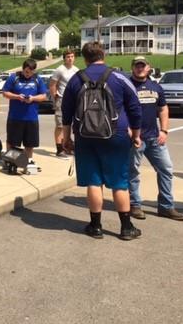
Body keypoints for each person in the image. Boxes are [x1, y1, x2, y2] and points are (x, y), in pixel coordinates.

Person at [61, 42, 143, 240]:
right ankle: (126, 227)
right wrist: (137, 134)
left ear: (84, 57)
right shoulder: (118, 77)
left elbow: (66, 112)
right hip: (116, 135)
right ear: (103, 55)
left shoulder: (76, 79)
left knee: (93, 181)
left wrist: (66, 137)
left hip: (85, 135)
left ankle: (95, 226)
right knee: (119, 182)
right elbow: (135, 108)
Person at [128, 56, 183, 221]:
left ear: (149, 67)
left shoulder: (156, 87)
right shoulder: (127, 86)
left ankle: (166, 207)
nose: (140, 68)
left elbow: (162, 109)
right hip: (135, 138)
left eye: (142, 65)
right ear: (133, 68)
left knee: (166, 169)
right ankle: (135, 205)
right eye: (137, 65)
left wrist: (164, 130)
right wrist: (130, 132)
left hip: (155, 137)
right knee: (133, 172)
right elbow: (120, 111)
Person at [2, 58, 47, 172]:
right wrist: (17, 97)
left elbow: (43, 96)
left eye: (31, 72)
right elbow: (5, 93)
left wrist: (33, 98)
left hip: (31, 117)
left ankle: (29, 160)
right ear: (23, 69)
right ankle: (10, 160)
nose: (28, 74)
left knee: (29, 142)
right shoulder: (14, 77)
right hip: (15, 116)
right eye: (27, 72)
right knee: (13, 141)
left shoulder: (37, 79)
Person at [49, 50, 79, 159]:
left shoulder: (76, 70)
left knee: (72, 124)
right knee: (60, 125)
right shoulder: (59, 70)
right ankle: (59, 149)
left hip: (74, 100)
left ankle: (69, 146)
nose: (70, 58)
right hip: (61, 99)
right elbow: (52, 84)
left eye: (72, 56)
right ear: (64, 58)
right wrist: (55, 97)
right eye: (68, 57)